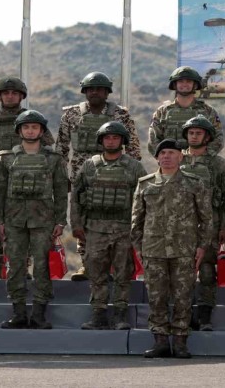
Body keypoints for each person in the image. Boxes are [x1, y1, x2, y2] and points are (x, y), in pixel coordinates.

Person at [57, 71, 141, 281]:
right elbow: (61, 148)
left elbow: (133, 147)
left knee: (114, 218)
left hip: (116, 173)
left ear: (107, 92)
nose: (95, 92)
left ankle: (114, 267)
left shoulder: (120, 115)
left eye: (100, 89)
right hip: (82, 174)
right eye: (91, 89)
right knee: (84, 220)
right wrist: (62, 176)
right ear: (85, 91)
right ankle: (87, 264)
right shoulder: (71, 114)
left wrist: (132, 174)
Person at [133, 139, 213, 359]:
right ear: (157, 157)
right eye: (163, 153)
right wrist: (139, 247)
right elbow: (136, 219)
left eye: (171, 152)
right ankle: (160, 341)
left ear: (180, 156)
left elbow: (206, 218)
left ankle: (180, 342)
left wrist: (202, 246)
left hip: (184, 249)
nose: (167, 156)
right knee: (156, 297)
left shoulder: (194, 183)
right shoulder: (145, 184)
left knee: (183, 297)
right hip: (154, 249)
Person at [0, 76, 55, 279]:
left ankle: (21, 271)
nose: (10, 96)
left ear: (21, 96)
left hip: (27, 188)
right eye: (6, 93)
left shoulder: (33, 121)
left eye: (14, 93)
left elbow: (48, 152)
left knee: (25, 230)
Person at [0, 110, 69, 330]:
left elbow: (61, 192)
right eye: (26, 127)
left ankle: (38, 314)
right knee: (15, 266)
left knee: (42, 267)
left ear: (41, 131)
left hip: (43, 220)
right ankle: (18, 313)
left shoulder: (54, 159)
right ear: (19, 131)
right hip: (14, 220)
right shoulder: (6, 159)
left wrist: (60, 221)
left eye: (34, 127)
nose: (30, 131)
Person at [71, 121, 147, 330]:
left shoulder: (134, 167)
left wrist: (140, 228)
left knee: (123, 274)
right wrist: (76, 225)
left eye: (115, 137)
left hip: (124, 228)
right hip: (95, 228)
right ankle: (98, 314)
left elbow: (144, 199)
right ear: (101, 140)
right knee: (96, 274)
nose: (111, 141)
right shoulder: (89, 166)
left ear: (122, 141)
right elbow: (76, 198)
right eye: (107, 137)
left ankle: (120, 315)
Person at [180, 115, 225, 331]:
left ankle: (204, 316)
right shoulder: (177, 160)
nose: (194, 136)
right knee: (181, 273)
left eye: (199, 133)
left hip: (209, 225)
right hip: (180, 225)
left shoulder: (218, 163)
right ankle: (183, 315)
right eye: (191, 133)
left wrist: (224, 226)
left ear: (207, 137)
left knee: (206, 272)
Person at [148, 66, 224, 157]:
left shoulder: (208, 111)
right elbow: (153, 139)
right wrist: (165, 157)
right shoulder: (162, 112)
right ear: (175, 85)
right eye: (180, 81)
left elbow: (218, 137)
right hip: (172, 162)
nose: (184, 84)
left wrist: (203, 156)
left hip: (200, 162)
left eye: (188, 81)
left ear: (195, 85)